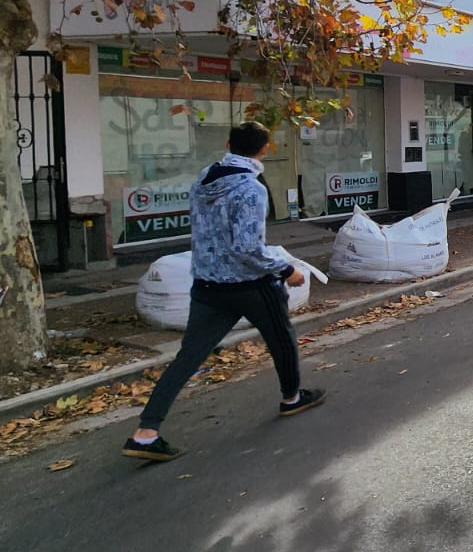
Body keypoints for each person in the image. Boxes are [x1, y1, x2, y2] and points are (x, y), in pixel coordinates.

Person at [123, 122, 325, 462]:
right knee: (282, 340)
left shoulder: (204, 179)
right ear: (265, 149)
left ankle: (145, 432)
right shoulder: (251, 189)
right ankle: (292, 398)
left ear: (229, 144)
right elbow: (248, 248)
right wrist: (286, 269)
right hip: (249, 285)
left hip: (206, 284)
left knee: (189, 356)